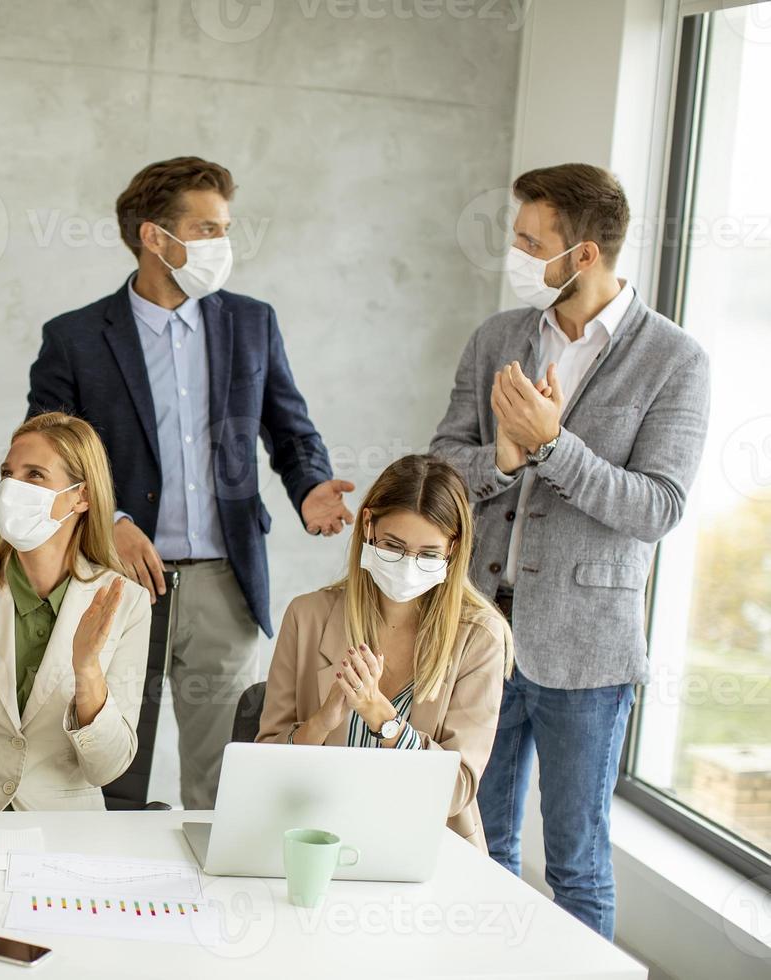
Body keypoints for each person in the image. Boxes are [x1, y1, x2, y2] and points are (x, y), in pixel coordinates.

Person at [430, 163, 710, 938]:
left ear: (583, 256)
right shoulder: (497, 337)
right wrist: (510, 459)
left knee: (577, 862)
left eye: (530, 241)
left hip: (587, 650)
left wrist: (553, 446)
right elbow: (445, 462)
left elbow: (657, 507)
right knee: (475, 843)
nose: (515, 254)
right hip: (479, 633)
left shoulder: (675, 360)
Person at [27, 156, 353, 809]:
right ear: (155, 236)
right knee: (108, 772)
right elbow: (45, 459)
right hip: (115, 586)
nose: (222, 245)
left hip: (222, 585)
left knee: (223, 782)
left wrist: (310, 485)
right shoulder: (76, 337)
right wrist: (109, 523)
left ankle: (213, 911)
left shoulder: (250, 322)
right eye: (206, 229)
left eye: (223, 228)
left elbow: (290, 430)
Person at [256, 455, 512, 850]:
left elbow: (456, 789)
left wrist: (384, 719)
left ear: (453, 548)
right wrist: (322, 722)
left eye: (428, 554)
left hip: (427, 850)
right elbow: (264, 769)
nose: (408, 566)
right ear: (368, 526)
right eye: (393, 547)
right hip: (316, 840)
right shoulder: (307, 616)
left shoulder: (480, 637)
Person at [0, 413, 151, 810]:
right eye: (7, 473)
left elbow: (107, 768)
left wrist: (87, 670)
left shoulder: (126, 602)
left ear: (81, 497)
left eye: (34, 475)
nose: (11, 488)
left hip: (63, 834)